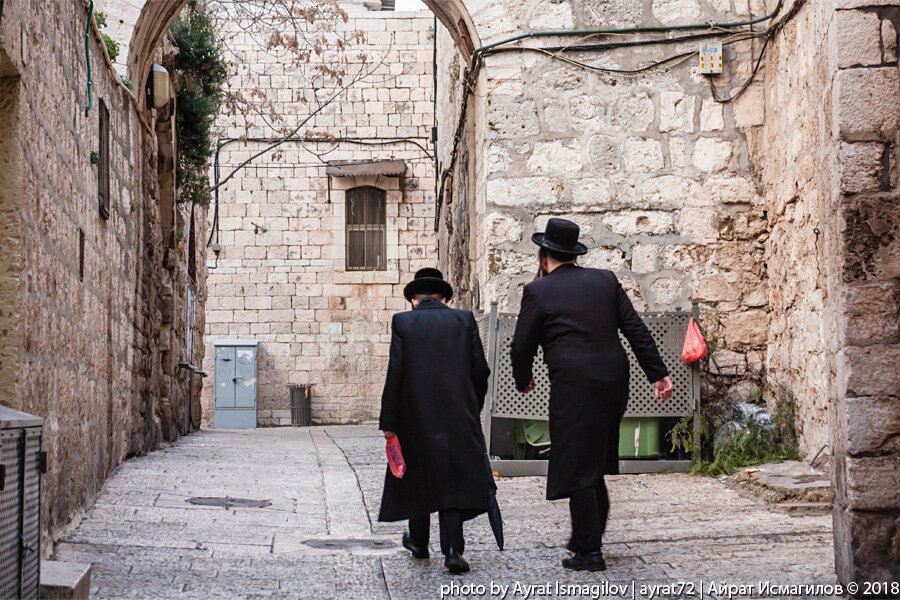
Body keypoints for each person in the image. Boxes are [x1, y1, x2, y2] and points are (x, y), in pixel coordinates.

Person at [510, 218, 673, 572]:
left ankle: (590, 551)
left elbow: (522, 344)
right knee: (591, 460)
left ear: (544, 255)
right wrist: (658, 373)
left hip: (574, 385)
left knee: (580, 464)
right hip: (614, 381)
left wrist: (522, 378)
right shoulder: (605, 281)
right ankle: (587, 537)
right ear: (573, 253)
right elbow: (635, 329)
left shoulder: (538, 291)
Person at [378, 267, 492, 574]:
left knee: (417, 477)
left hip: (414, 416)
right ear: (443, 298)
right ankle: (453, 551)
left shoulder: (403, 321)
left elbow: (396, 373)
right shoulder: (464, 319)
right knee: (452, 479)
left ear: (414, 300)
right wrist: (472, 406)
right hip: (458, 415)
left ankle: (418, 542)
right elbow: (480, 371)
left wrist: (389, 420)